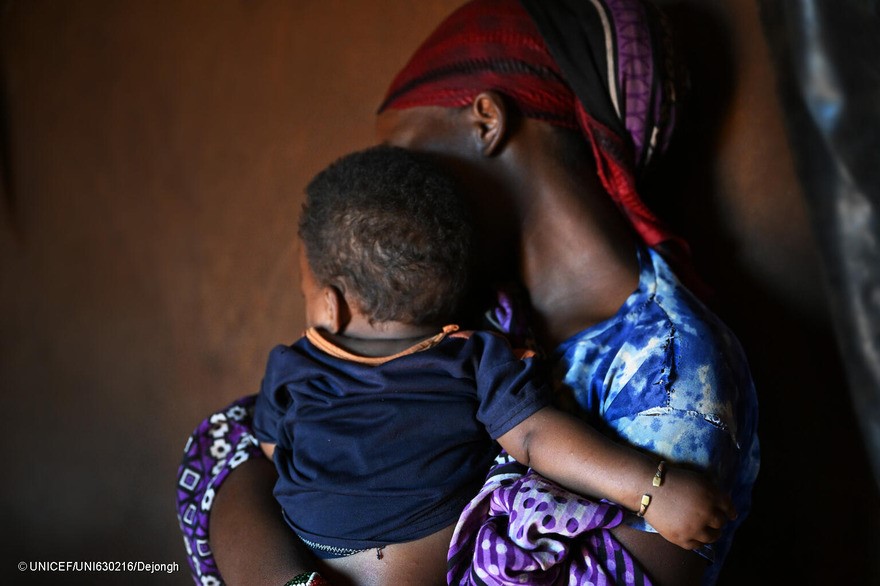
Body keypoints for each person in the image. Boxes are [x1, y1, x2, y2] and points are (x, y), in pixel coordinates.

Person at [175, 1, 759, 584]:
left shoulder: (671, 367)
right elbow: (237, 445)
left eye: (402, 156)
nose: (389, 196)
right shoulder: (465, 312)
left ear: (486, 120)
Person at [251, 144, 733, 585]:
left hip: (310, 559)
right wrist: (653, 488)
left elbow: (275, 453)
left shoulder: (290, 367)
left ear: (330, 306)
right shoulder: (476, 356)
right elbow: (536, 437)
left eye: (304, 292)